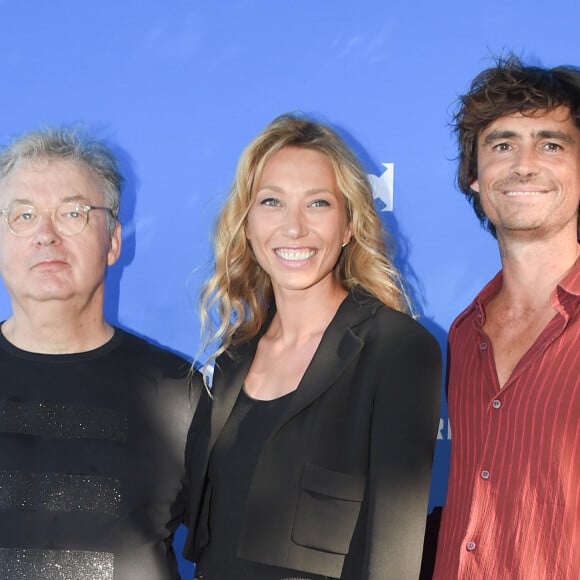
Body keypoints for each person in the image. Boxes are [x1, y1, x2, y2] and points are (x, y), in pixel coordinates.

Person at [183, 113, 442, 579]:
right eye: (271, 202)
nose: (294, 227)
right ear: (246, 225)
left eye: (318, 203)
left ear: (348, 226)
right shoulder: (233, 359)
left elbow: (394, 556)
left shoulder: (397, 350)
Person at [0, 127, 198, 579]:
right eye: (23, 215)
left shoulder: (181, 397)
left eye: (73, 213)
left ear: (112, 242)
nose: (45, 235)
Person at [433, 56, 580, 579]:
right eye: (502, 145)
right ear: (475, 176)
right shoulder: (463, 331)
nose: (524, 164)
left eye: (550, 144)